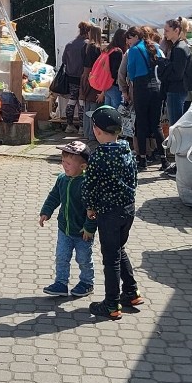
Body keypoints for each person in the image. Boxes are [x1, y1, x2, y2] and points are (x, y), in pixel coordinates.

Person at [82, 106, 142, 320]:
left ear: (96, 130)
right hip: (128, 210)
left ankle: (111, 304)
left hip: (108, 214)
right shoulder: (127, 149)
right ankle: (131, 292)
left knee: (111, 259)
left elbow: (89, 186)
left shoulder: (98, 157)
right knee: (119, 249)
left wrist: (90, 208)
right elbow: (134, 180)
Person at [38, 140, 94, 297]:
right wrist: (46, 211)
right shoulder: (62, 179)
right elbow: (54, 196)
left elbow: (94, 210)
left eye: (69, 163)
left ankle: (87, 282)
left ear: (83, 167)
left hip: (83, 231)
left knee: (83, 259)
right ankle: (61, 283)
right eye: (63, 161)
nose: (64, 165)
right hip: (64, 229)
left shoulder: (87, 184)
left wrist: (89, 227)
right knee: (62, 257)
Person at [126, 26, 165, 170]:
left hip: (141, 88)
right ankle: (164, 159)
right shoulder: (155, 47)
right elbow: (162, 63)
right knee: (156, 125)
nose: (127, 41)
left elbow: (131, 71)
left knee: (141, 124)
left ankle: (142, 160)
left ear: (136, 37)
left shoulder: (134, 50)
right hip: (156, 87)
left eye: (129, 38)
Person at [161, 17, 192, 130]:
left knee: (175, 125)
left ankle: (176, 147)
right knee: (176, 123)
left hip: (176, 90)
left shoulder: (179, 48)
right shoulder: (179, 46)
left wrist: (164, 70)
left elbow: (177, 74)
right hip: (178, 89)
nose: (164, 33)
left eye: (167, 30)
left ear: (177, 30)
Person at [61, 22, 90, 134]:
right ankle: (82, 127)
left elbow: (64, 61)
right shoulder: (87, 45)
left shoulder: (69, 44)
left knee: (72, 100)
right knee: (82, 101)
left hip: (71, 76)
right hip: (83, 77)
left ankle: (69, 125)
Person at [79, 24, 103, 141]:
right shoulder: (96, 48)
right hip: (94, 77)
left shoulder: (86, 46)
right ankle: (91, 134)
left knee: (87, 105)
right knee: (93, 106)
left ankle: (86, 132)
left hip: (85, 75)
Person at [94, 28, 126, 110]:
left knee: (107, 111)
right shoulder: (118, 51)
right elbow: (115, 71)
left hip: (107, 85)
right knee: (115, 112)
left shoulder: (109, 49)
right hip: (114, 85)